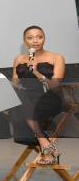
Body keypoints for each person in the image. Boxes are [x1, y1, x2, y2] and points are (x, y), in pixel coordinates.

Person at [10, 25, 67, 164]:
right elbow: (15, 84)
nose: (35, 41)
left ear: (44, 38)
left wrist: (37, 73)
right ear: (25, 41)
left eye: (39, 37)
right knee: (19, 98)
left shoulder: (56, 57)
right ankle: (46, 146)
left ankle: (45, 145)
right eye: (30, 38)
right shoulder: (19, 59)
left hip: (49, 98)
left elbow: (55, 85)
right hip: (26, 99)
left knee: (21, 101)